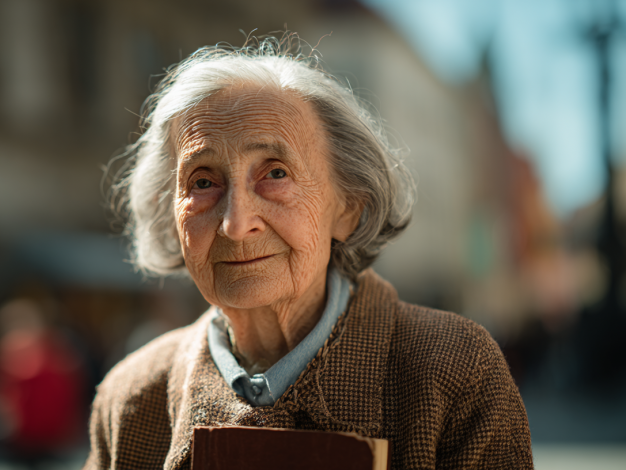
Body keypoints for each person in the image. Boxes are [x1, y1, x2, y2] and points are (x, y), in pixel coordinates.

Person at [85, 35, 533, 470]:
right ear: (171, 216)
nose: (236, 224)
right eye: (203, 181)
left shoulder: (453, 371)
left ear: (348, 207)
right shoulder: (130, 397)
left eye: (275, 173)